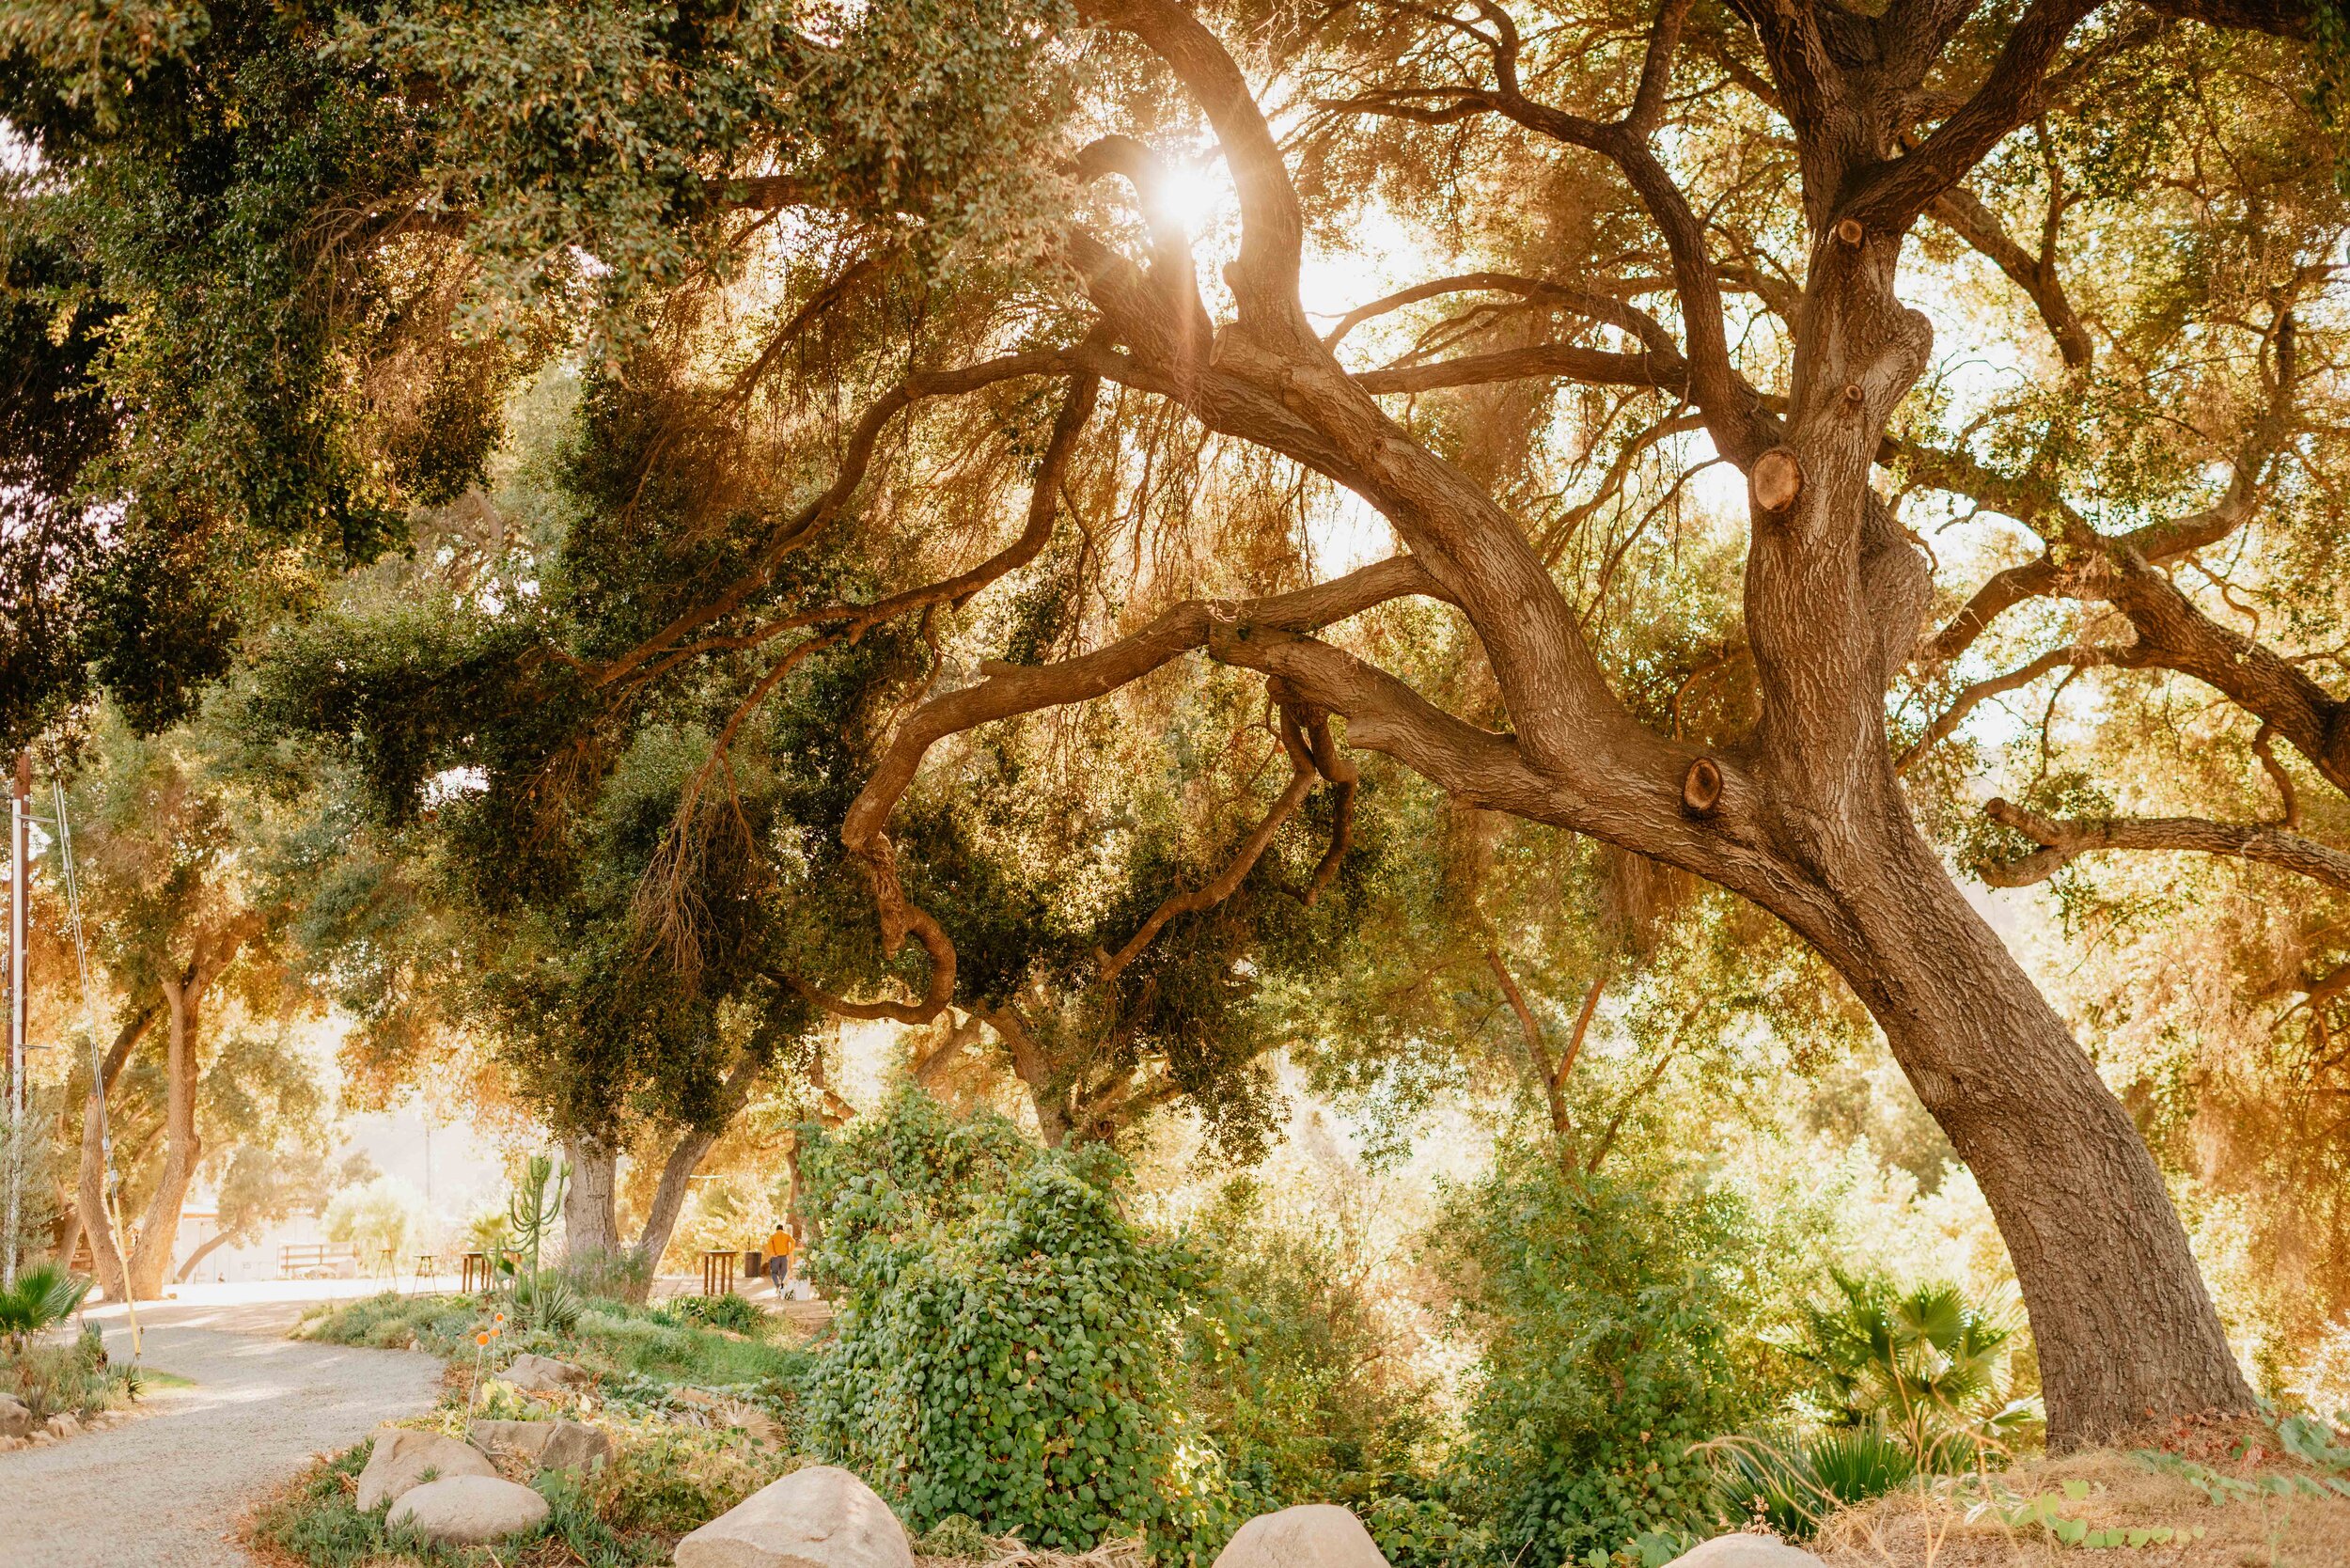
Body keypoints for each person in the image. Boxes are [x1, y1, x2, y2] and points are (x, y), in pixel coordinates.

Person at [764, 1220, 796, 1295]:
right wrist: (790, 1250)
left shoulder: (773, 1236)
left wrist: (772, 1252)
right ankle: (782, 1288)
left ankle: (777, 1284)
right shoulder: (786, 1235)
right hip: (784, 1256)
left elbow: (769, 1243)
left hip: (776, 1256)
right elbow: (793, 1241)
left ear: (776, 1229)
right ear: (782, 1229)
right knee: (784, 1273)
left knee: (774, 1272)